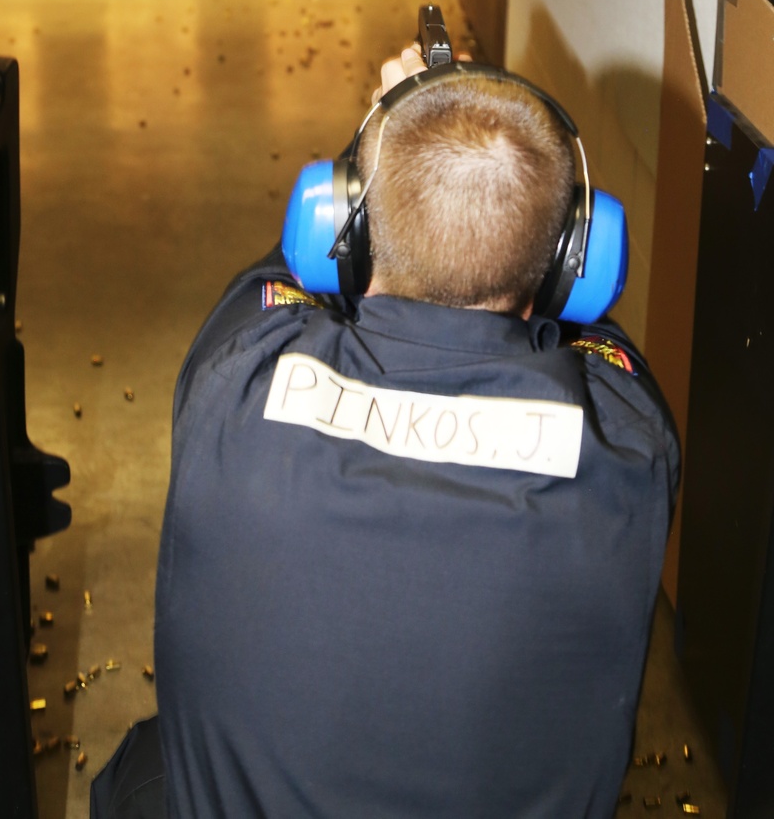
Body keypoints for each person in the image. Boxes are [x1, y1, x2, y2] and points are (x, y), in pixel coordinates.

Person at [92, 44, 679, 818]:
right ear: (573, 259)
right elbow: (600, 338)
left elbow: (290, 270)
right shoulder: (627, 447)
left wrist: (395, 121)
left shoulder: (234, 380)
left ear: (343, 222)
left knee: (144, 767)